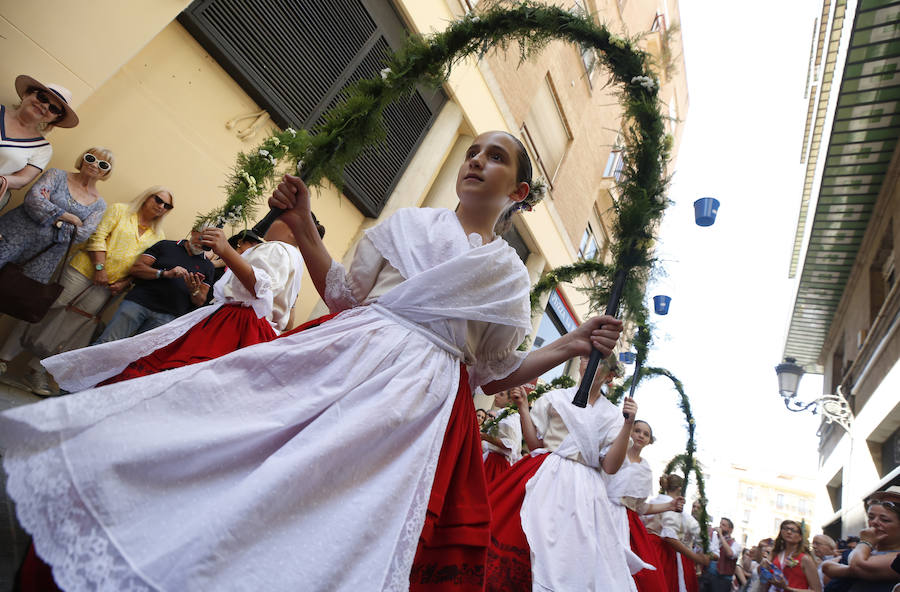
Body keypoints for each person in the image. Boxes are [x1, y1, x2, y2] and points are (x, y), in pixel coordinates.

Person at [0, 130, 625, 591]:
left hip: (418, 406)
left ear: (515, 191)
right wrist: (301, 226)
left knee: (339, 514)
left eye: (495, 158)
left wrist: (568, 345)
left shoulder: (509, 277)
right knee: (248, 448)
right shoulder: (405, 224)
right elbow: (344, 294)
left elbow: (493, 373)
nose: (476, 163)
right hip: (346, 356)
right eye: (472, 152)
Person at [43, 218, 307, 389]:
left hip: (235, 322)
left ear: (294, 230)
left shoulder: (277, 249)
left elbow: (258, 288)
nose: (274, 221)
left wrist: (226, 251)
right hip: (248, 326)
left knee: (164, 371)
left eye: (282, 218)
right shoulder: (295, 259)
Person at [484, 357, 642, 591]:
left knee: (571, 554)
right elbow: (535, 444)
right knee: (527, 534)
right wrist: (523, 408)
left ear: (609, 376)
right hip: (546, 475)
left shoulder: (612, 415)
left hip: (584, 489)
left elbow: (610, 466)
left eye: (597, 361)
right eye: (586, 357)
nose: (587, 363)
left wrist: (628, 424)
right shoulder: (555, 398)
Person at [0, 185, 172, 395]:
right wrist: (99, 268)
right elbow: (97, 237)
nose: (161, 206)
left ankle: (35, 370)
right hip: (82, 271)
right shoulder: (120, 210)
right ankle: (4, 359)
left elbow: (144, 265)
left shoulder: (158, 235)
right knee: (44, 310)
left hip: (108, 287)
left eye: (167, 205)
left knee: (71, 327)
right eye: (158, 200)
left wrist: (124, 283)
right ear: (147, 197)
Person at [0, 147, 109, 287]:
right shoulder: (56, 174)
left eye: (103, 164)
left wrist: (50, 208)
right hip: (13, 235)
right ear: (83, 159)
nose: (94, 165)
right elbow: (34, 200)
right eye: (91, 158)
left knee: (13, 293)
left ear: (107, 172)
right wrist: (72, 219)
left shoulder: (100, 205)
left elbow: (81, 235)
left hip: (44, 257)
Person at [89, 225, 215, 344]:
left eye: (207, 245)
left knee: (136, 357)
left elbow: (200, 301)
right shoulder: (166, 245)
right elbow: (136, 269)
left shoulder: (208, 266)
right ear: (193, 232)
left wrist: (194, 290)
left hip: (167, 316)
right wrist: (164, 274)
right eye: (201, 238)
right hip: (138, 304)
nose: (201, 245)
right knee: (107, 343)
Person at [605, 418, 684, 592]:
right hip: (604, 513)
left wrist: (670, 505)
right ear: (629, 431)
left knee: (642, 577)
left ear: (649, 441)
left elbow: (641, 508)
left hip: (628, 523)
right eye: (637, 430)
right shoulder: (615, 453)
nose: (641, 435)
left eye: (646, 434)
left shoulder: (646, 469)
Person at [0, 75, 78, 212]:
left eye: (54, 109)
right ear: (26, 94)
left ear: (55, 118)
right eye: (42, 98)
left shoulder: (42, 149)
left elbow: (22, 179)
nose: (45, 106)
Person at [821, 487, 900, 591]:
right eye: (871, 517)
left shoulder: (895, 557)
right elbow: (826, 567)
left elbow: (858, 565)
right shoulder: (864, 550)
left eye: (884, 520)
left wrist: (865, 542)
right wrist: (854, 571)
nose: (874, 523)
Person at [644, 474, 711, 592]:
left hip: (645, 547)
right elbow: (669, 536)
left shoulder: (654, 501)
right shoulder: (673, 507)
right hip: (662, 553)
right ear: (680, 488)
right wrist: (696, 558)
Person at [480, 386, 523, 482]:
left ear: (510, 401)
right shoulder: (507, 415)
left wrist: (484, 437)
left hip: (496, 464)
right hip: (493, 460)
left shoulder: (509, 417)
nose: (496, 396)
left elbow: (509, 444)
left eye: (501, 394)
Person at [765, 519, 821, 592]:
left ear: (800, 537)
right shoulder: (775, 554)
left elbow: (817, 590)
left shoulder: (805, 559)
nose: (789, 532)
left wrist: (787, 588)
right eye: (786, 529)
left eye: (793, 531)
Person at [708, 517, 742, 592]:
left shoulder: (736, 545)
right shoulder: (714, 538)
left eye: (723, 525)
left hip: (723, 581)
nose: (720, 526)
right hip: (709, 576)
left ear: (730, 530)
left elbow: (730, 554)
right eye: (720, 524)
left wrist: (720, 534)